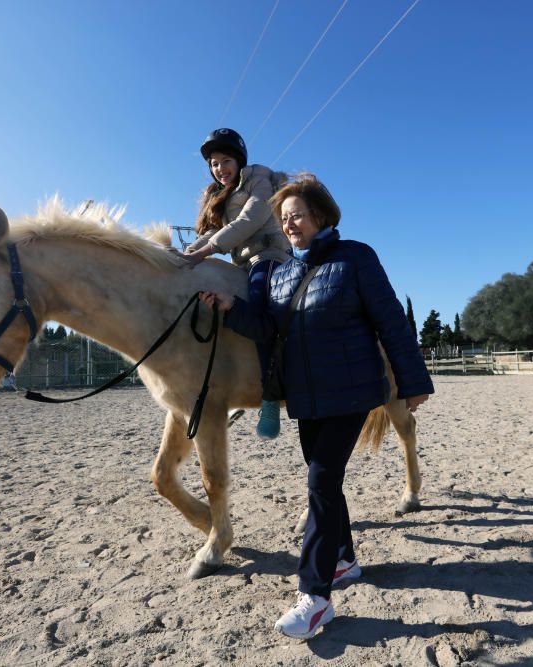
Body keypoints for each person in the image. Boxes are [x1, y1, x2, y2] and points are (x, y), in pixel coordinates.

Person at [199, 173, 433, 640]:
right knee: (325, 483)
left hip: (351, 393)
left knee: (321, 485)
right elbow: (269, 329)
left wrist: (412, 381)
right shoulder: (281, 272)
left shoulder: (357, 258)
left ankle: (316, 597)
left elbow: (391, 319)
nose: (290, 225)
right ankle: (343, 561)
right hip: (306, 400)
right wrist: (230, 306)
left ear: (321, 216)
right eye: (284, 219)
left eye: (298, 216)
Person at [184, 128, 292, 439]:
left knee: (257, 309)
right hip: (242, 264)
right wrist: (183, 255)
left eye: (226, 160)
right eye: (214, 164)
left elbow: (250, 220)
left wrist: (204, 252)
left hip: (269, 257)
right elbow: (215, 232)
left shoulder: (259, 176)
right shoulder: (220, 195)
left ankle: (270, 396)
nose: (220, 169)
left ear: (240, 160)